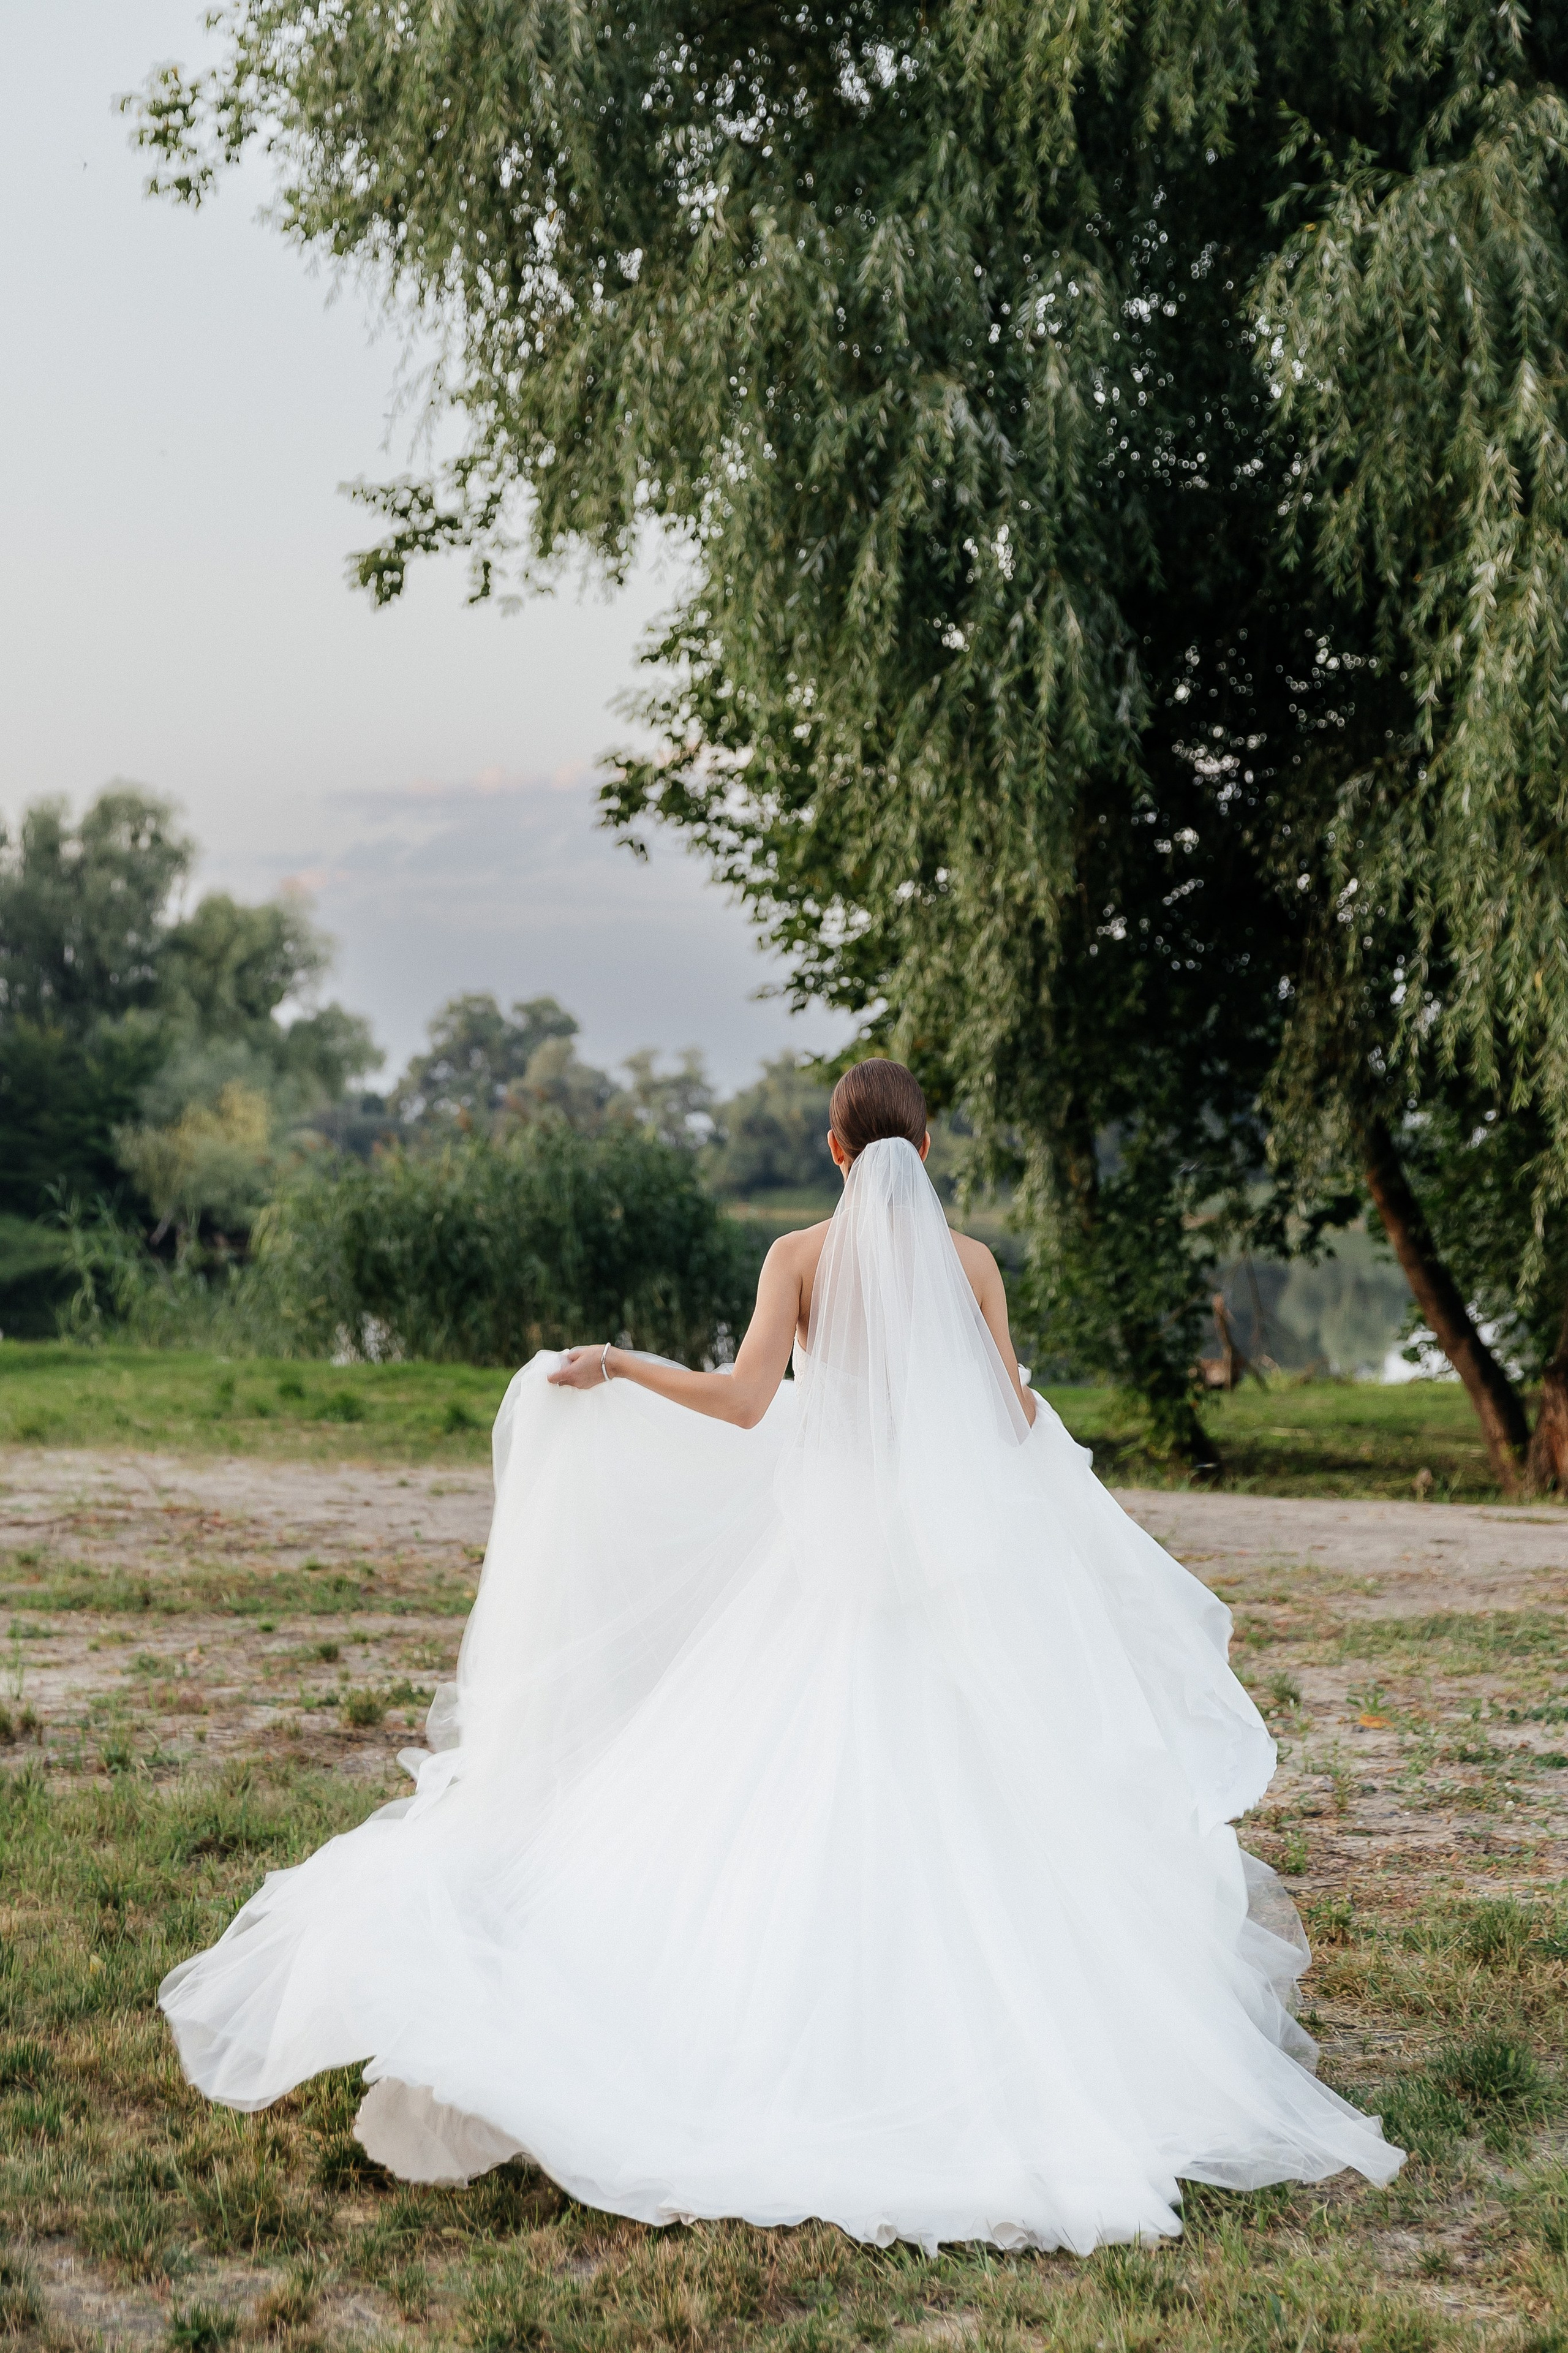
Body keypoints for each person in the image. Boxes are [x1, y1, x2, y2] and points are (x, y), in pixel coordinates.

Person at [160, 1057, 1401, 2253]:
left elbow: (746, 1400)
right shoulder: (970, 1263)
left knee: (767, 1787)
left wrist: (621, 1367)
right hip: (942, 1577)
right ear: (926, 1149)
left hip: (831, 1571)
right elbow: (1004, 1409)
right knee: (981, 1801)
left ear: (833, 1148)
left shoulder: (796, 1257)